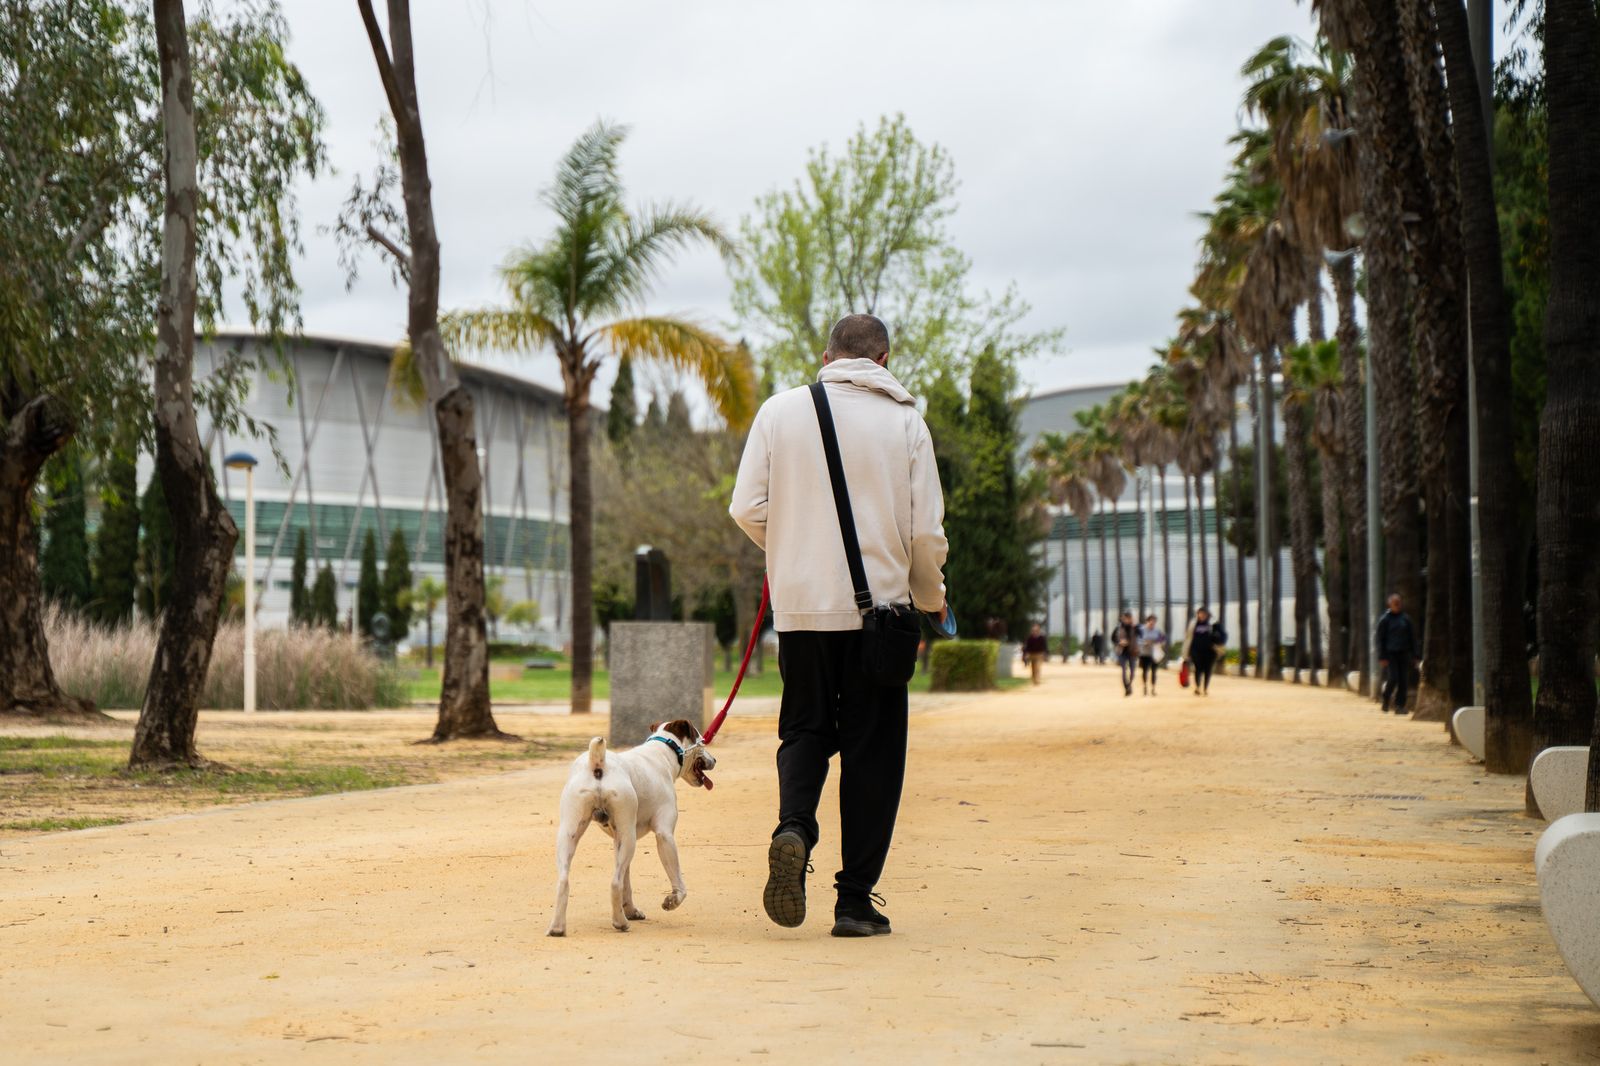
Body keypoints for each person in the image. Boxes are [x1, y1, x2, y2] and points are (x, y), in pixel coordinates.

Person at [730, 313, 948, 939]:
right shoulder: (907, 422)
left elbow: (746, 506)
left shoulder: (779, 411)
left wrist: (791, 550)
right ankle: (853, 902)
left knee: (803, 731)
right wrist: (931, 596)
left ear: (827, 357)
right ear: (883, 360)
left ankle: (794, 827)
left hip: (801, 610)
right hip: (880, 617)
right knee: (872, 753)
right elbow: (925, 531)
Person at [1375, 593, 1418, 714]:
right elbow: (1380, 639)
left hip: (1404, 653)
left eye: (1399, 603)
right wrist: (1382, 656)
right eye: (1395, 603)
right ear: (1390, 604)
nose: (1397, 606)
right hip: (1390, 654)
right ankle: (1386, 698)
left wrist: (1415, 655)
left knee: (1403, 681)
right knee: (1393, 678)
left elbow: (1412, 638)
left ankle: (1400, 706)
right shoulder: (1385, 619)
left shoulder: (1406, 619)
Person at [1183, 607, 1225, 696]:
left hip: (1210, 651)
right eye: (1200, 613)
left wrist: (1219, 641)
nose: (1202, 615)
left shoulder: (1213, 624)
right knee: (1198, 669)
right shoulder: (1193, 624)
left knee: (1208, 670)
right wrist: (1187, 651)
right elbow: (1188, 637)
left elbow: (1223, 635)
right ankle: (1198, 687)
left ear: (1207, 615)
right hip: (1196, 650)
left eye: (1204, 613)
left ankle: (1205, 688)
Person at [1136, 613, 1167, 696]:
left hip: (1154, 654)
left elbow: (1163, 639)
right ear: (1147, 621)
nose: (1152, 623)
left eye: (1154, 622)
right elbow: (1137, 640)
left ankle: (1153, 688)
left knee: (1154, 671)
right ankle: (1145, 686)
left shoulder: (1158, 630)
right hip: (1144, 653)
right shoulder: (1142, 630)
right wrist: (1144, 642)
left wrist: (1159, 643)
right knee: (1145, 671)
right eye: (1151, 621)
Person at [1111, 610, 1139, 697]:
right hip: (1122, 652)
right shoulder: (1118, 628)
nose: (1126, 620)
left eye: (1128, 618)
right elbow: (1112, 638)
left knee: (1132, 672)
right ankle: (1126, 687)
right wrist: (1119, 642)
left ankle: (1129, 685)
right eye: (1125, 618)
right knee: (1123, 670)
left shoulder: (1135, 627)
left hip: (1132, 652)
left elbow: (1141, 635)